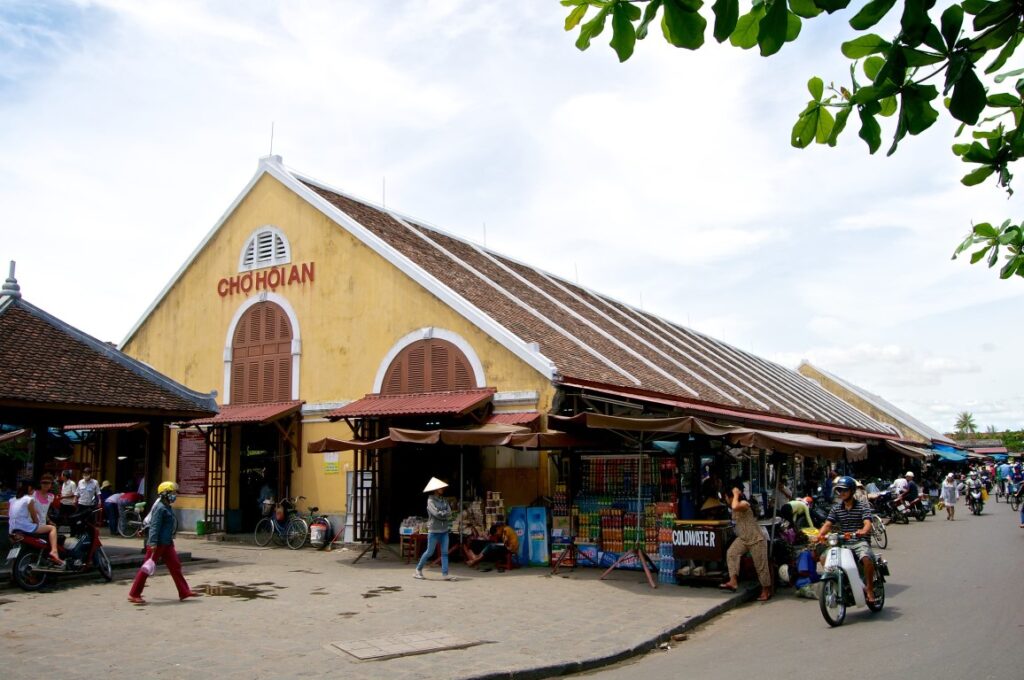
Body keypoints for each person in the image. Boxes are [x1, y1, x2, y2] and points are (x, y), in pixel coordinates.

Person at [127, 481, 200, 604]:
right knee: (146, 568)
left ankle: (184, 591)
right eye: (172, 492)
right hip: (158, 543)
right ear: (165, 493)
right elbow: (155, 526)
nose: (175, 495)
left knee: (175, 566)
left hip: (167, 543)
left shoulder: (167, 506)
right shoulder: (160, 508)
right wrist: (153, 543)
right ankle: (134, 593)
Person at [817, 475, 876, 604]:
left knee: (866, 558)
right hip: (843, 542)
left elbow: (867, 522)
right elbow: (828, 524)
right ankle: (840, 582)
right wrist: (819, 535)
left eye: (845, 490)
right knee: (823, 558)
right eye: (839, 490)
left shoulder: (862, 506)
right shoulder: (836, 508)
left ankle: (870, 589)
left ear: (852, 491)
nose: (842, 493)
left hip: (859, 541)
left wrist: (864, 530)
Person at [719, 479, 772, 602]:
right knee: (731, 553)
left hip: (756, 539)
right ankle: (733, 581)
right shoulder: (733, 506)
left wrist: (736, 494)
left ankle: (766, 590)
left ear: (729, 496)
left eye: (726, 496)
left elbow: (735, 506)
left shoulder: (743, 503)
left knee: (761, 566)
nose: (725, 499)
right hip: (743, 538)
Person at [8, 480, 63, 565]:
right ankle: (54, 551)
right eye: (33, 489)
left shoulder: (12, 500)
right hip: (25, 527)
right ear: (30, 488)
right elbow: (35, 518)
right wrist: (37, 524)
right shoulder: (29, 499)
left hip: (12, 529)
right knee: (52, 528)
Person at [413, 477, 456, 581]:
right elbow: (436, 514)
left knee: (444, 553)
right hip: (434, 530)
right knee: (429, 552)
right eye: (441, 487)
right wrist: (444, 513)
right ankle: (418, 570)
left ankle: (445, 574)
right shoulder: (430, 500)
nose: (443, 489)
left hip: (444, 530)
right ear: (436, 489)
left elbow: (450, 512)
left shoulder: (444, 500)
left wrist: (443, 513)